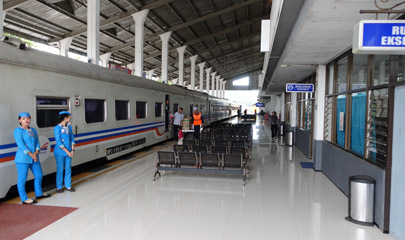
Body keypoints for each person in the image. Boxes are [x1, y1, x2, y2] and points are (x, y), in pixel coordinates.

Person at [13, 112, 51, 204]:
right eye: (23, 118)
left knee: (39, 175)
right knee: (22, 179)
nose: (26, 120)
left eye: (28, 118)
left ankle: (39, 193)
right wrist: (31, 154)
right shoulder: (18, 131)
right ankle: (24, 199)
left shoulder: (33, 130)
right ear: (19, 120)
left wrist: (37, 152)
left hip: (35, 157)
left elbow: (37, 142)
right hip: (23, 158)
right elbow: (21, 145)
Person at [54, 111, 76, 193]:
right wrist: (68, 152)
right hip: (60, 152)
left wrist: (72, 150)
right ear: (65, 118)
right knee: (60, 169)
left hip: (69, 151)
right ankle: (59, 187)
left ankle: (68, 186)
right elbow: (59, 142)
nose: (70, 118)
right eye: (69, 117)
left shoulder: (69, 128)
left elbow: (72, 139)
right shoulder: (57, 128)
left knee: (68, 169)